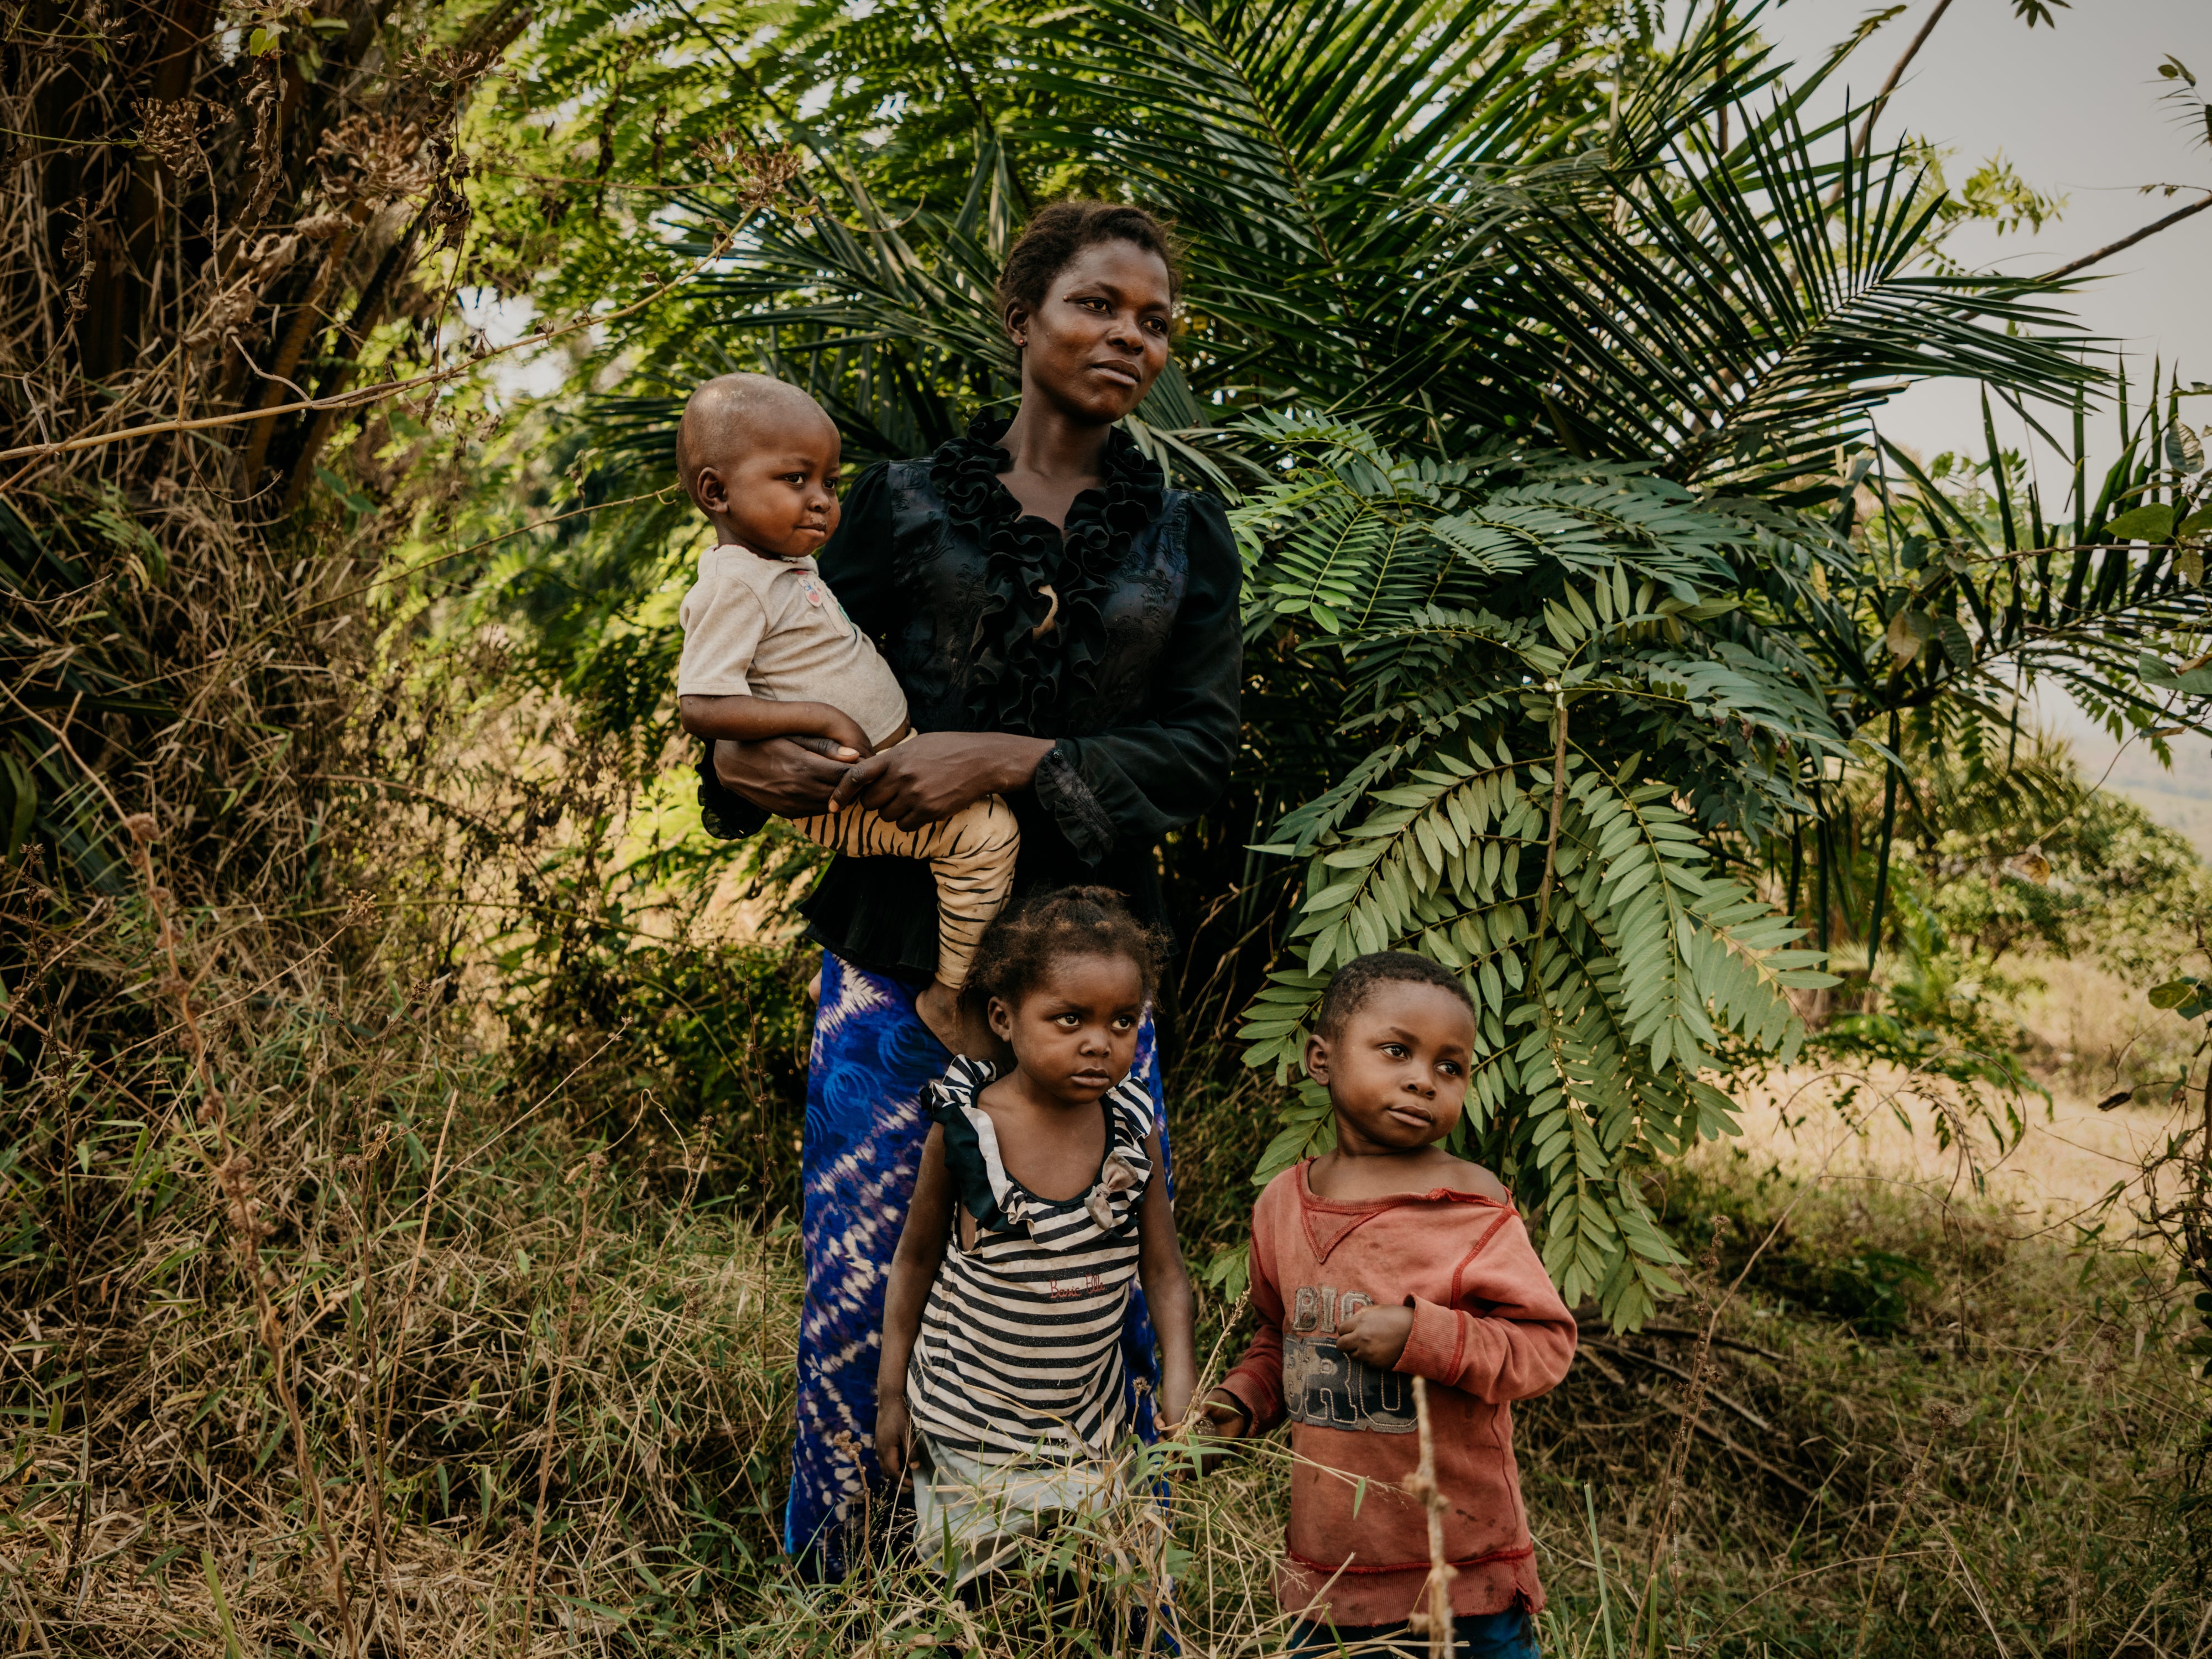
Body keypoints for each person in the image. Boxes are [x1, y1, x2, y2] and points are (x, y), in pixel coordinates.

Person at [692, 201, 1241, 1575]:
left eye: (1154, 320)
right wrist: (739, 774)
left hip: (1091, 989)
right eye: (1095, 305)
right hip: (892, 966)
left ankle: (1084, 1584)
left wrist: (1003, 755)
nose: (1127, 334)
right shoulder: (891, 503)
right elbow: (778, 658)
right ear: (1020, 318)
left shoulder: (1185, 535)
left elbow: (1198, 751)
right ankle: (851, 1581)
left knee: (1093, 1285)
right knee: (868, 1278)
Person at [1196, 952, 1577, 1658]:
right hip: (1330, 1571)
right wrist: (1237, 1408)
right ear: (1321, 1058)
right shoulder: (1282, 1203)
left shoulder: (1471, 1207)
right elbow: (1282, 1336)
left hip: (1461, 1568)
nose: (1420, 1080)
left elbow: (1545, 1347)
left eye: (1449, 1067)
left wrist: (1420, 1335)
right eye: (1396, 1050)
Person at [671, 372, 1019, 1052]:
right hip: (848, 785)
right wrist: (824, 721)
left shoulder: (781, 568)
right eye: (795, 480)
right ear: (716, 492)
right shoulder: (733, 583)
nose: (822, 502)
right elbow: (702, 704)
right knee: (987, 837)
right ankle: (949, 998)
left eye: (830, 484)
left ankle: (840, 969)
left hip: (887, 758)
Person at [875, 887, 1196, 1596]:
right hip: (966, 1429)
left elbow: (1165, 1272)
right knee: (976, 1598)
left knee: (1083, 1596)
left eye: (1122, 1022)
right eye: (1069, 1018)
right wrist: (890, 1395)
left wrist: (1180, 1384)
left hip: (1088, 1434)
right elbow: (915, 1261)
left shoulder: (1131, 1130)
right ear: (1005, 1018)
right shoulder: (966, 1130)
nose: (1099, 1042)